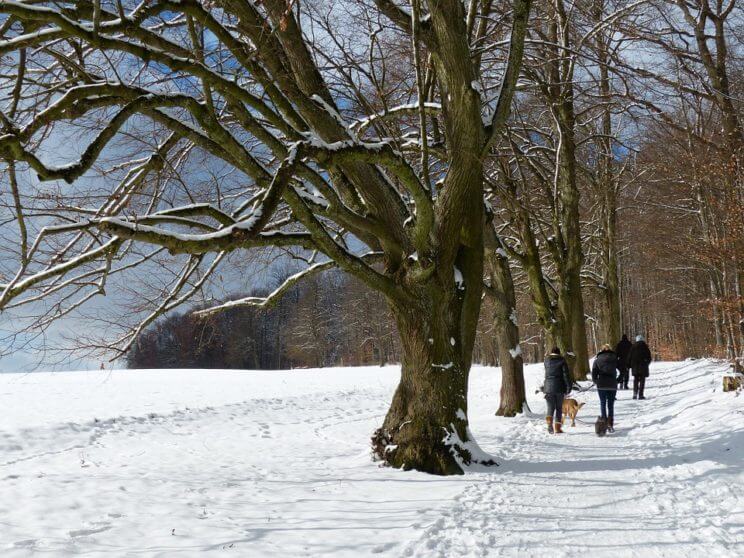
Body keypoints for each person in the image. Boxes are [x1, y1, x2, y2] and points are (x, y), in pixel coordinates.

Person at [543, 347, 572, 434]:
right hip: (559, 387)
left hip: (548, 387)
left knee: (550, 407)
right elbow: (566, 375)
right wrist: (568, 387)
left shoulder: (546, 361)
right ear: (559, 353)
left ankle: (549, 426)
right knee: (559, 408)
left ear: (551, 352)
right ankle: (557, 428)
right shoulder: (562, 361)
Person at [592, 344, 620, 432]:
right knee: (610, 404)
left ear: (602, 350)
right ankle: (610, 424)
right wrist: (618, 380)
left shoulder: (597, 360)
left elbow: (594, 373)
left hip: (601, 384)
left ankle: (604, 423)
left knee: (603, 403)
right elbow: (623, 370)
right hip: (612, 383)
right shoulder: (615, 358)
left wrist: (596, 381)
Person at [629, 335, 652, 399]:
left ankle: (635, 393)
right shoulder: (645, 347)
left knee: (635, 380)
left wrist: (629, 365)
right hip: (643, 366)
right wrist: (647, 363)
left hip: (635, 366)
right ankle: (641, 394)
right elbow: (649, 357)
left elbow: (629, 357)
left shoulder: (633, 347)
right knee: (642, 380)